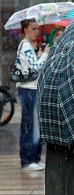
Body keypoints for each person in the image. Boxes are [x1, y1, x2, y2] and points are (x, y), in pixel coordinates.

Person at [16, 19, 49, 171]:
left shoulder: (30, 46)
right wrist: (45, 55)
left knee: (35, 125)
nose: (37, 31)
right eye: (33, 29)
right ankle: (28, 160)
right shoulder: (26, 46)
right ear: (25, 29)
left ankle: (34, 158)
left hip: (32, 89)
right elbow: (35, 67)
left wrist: (40, 53)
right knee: (29, 125)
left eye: (37, 29)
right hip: (28, 89)